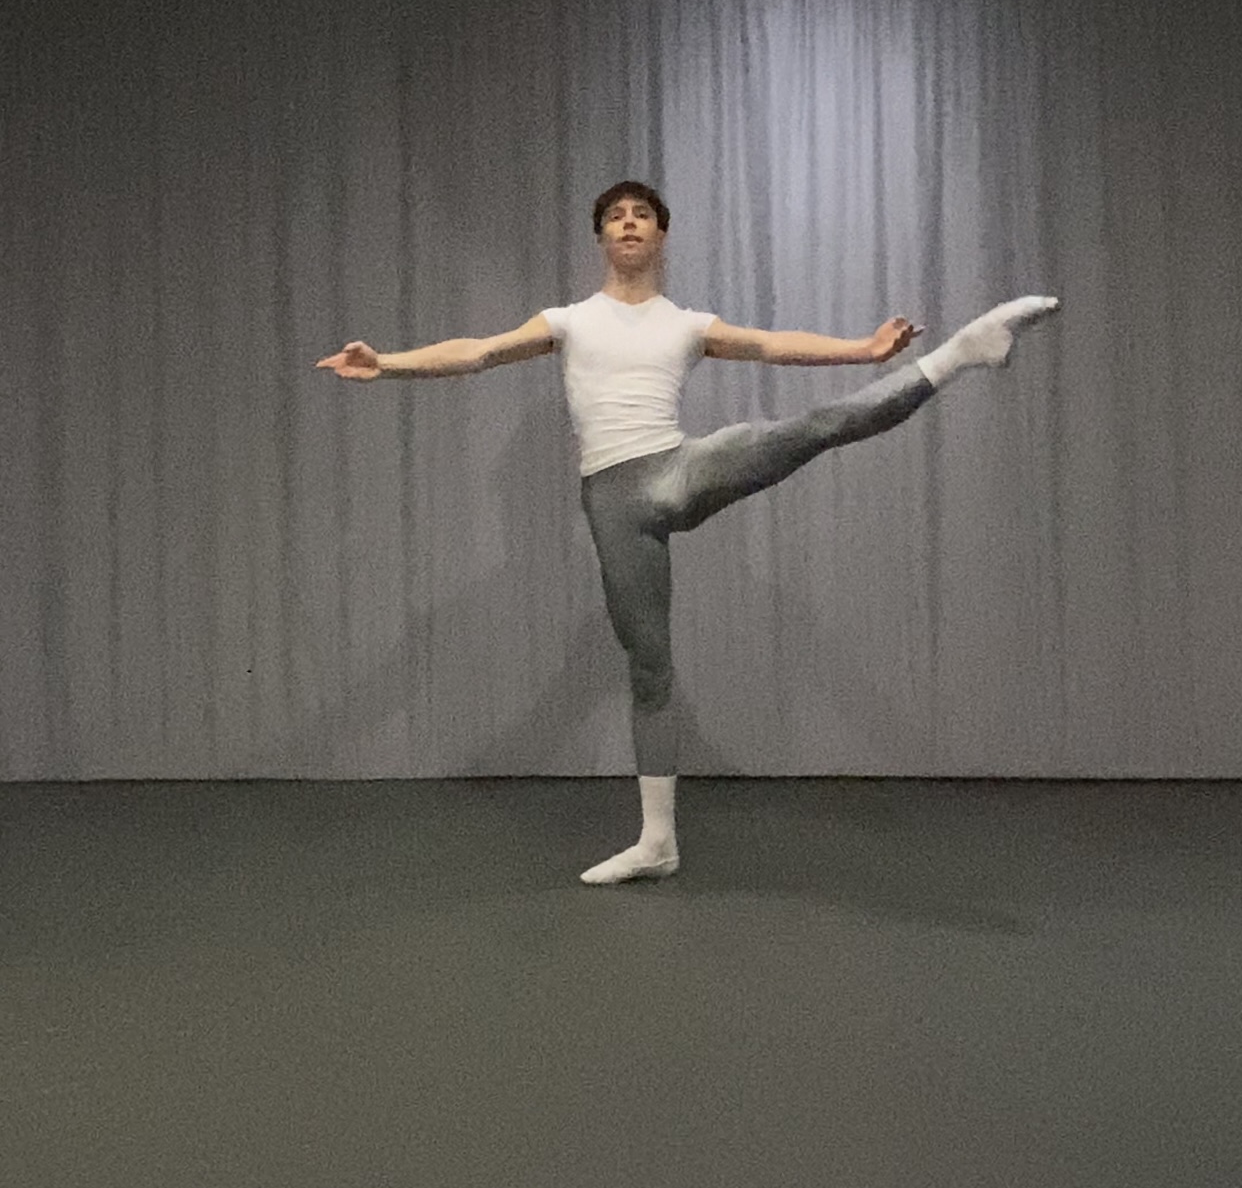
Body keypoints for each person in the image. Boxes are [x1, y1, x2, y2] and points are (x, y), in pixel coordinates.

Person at [318, 178, 1059, 885]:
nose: (629, 221)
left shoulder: (687, 325)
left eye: (642, 213)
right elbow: (477, 351)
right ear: (601, 237)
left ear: (661, 235)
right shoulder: (568, 321)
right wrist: (386, 364)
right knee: (649, 668)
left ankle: (962, 351)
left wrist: (862, 350)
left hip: (678, 469)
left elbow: (773, 344)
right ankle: (658, 843)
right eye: (616, 215)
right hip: (613, 504)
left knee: (813, 427)